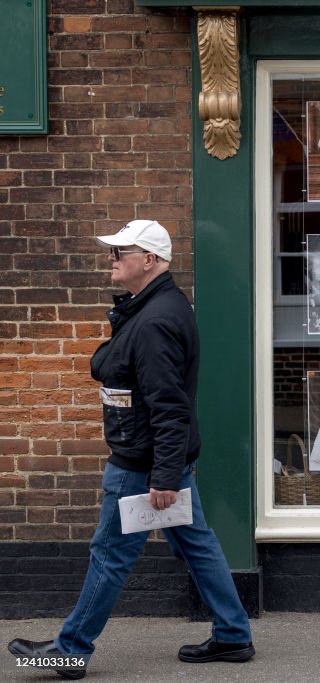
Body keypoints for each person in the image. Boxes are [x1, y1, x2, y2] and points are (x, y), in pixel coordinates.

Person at [8, 220, 254, 679]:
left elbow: (169, 407)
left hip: (141, 465)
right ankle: (234, 635)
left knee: (111, 554)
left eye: (123, 250)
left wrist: (161, 476)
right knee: (197, 544)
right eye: (112, 250)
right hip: (158, 459)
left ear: (153, 261)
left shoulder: (157, 320)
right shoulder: (153, 309)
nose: (113, 257)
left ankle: (71, 648)